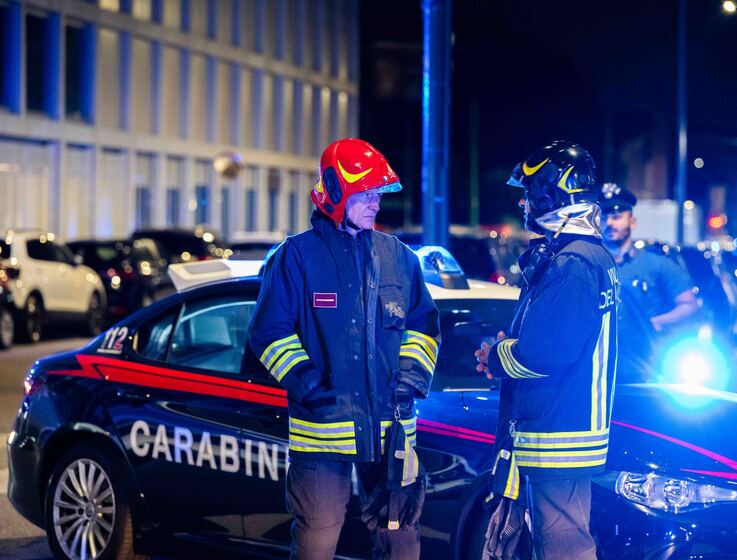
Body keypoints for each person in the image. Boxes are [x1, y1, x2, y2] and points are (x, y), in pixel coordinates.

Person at [247, 138, 440, 560]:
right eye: (365, 193)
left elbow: (423, 326)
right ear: (335, 192)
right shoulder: (296, 257)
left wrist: (410, 377)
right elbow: (268, 331)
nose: (375, 203)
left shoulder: (400, 258)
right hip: (323, 435)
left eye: (378, 194)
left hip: (392, 433)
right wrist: (307, 384)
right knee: (317, 540)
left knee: (400, 539)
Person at [475, 141, 618, 560]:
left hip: (559, 430)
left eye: (529, 191)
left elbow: (546, 352)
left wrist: (496, 355)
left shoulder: (573, 263)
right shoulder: (587, 257)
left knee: (563, 546)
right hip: (565, 427)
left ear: (550, 194)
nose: (523, 201)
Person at [598, 183, 700, 381]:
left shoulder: (657, 265)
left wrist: (655, 322)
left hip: (646, 366)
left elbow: (689, 305)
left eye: (617, 217)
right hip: (600, 366)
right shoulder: (591, 266)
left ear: (632, 221)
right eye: (604, 217)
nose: (609, 223)